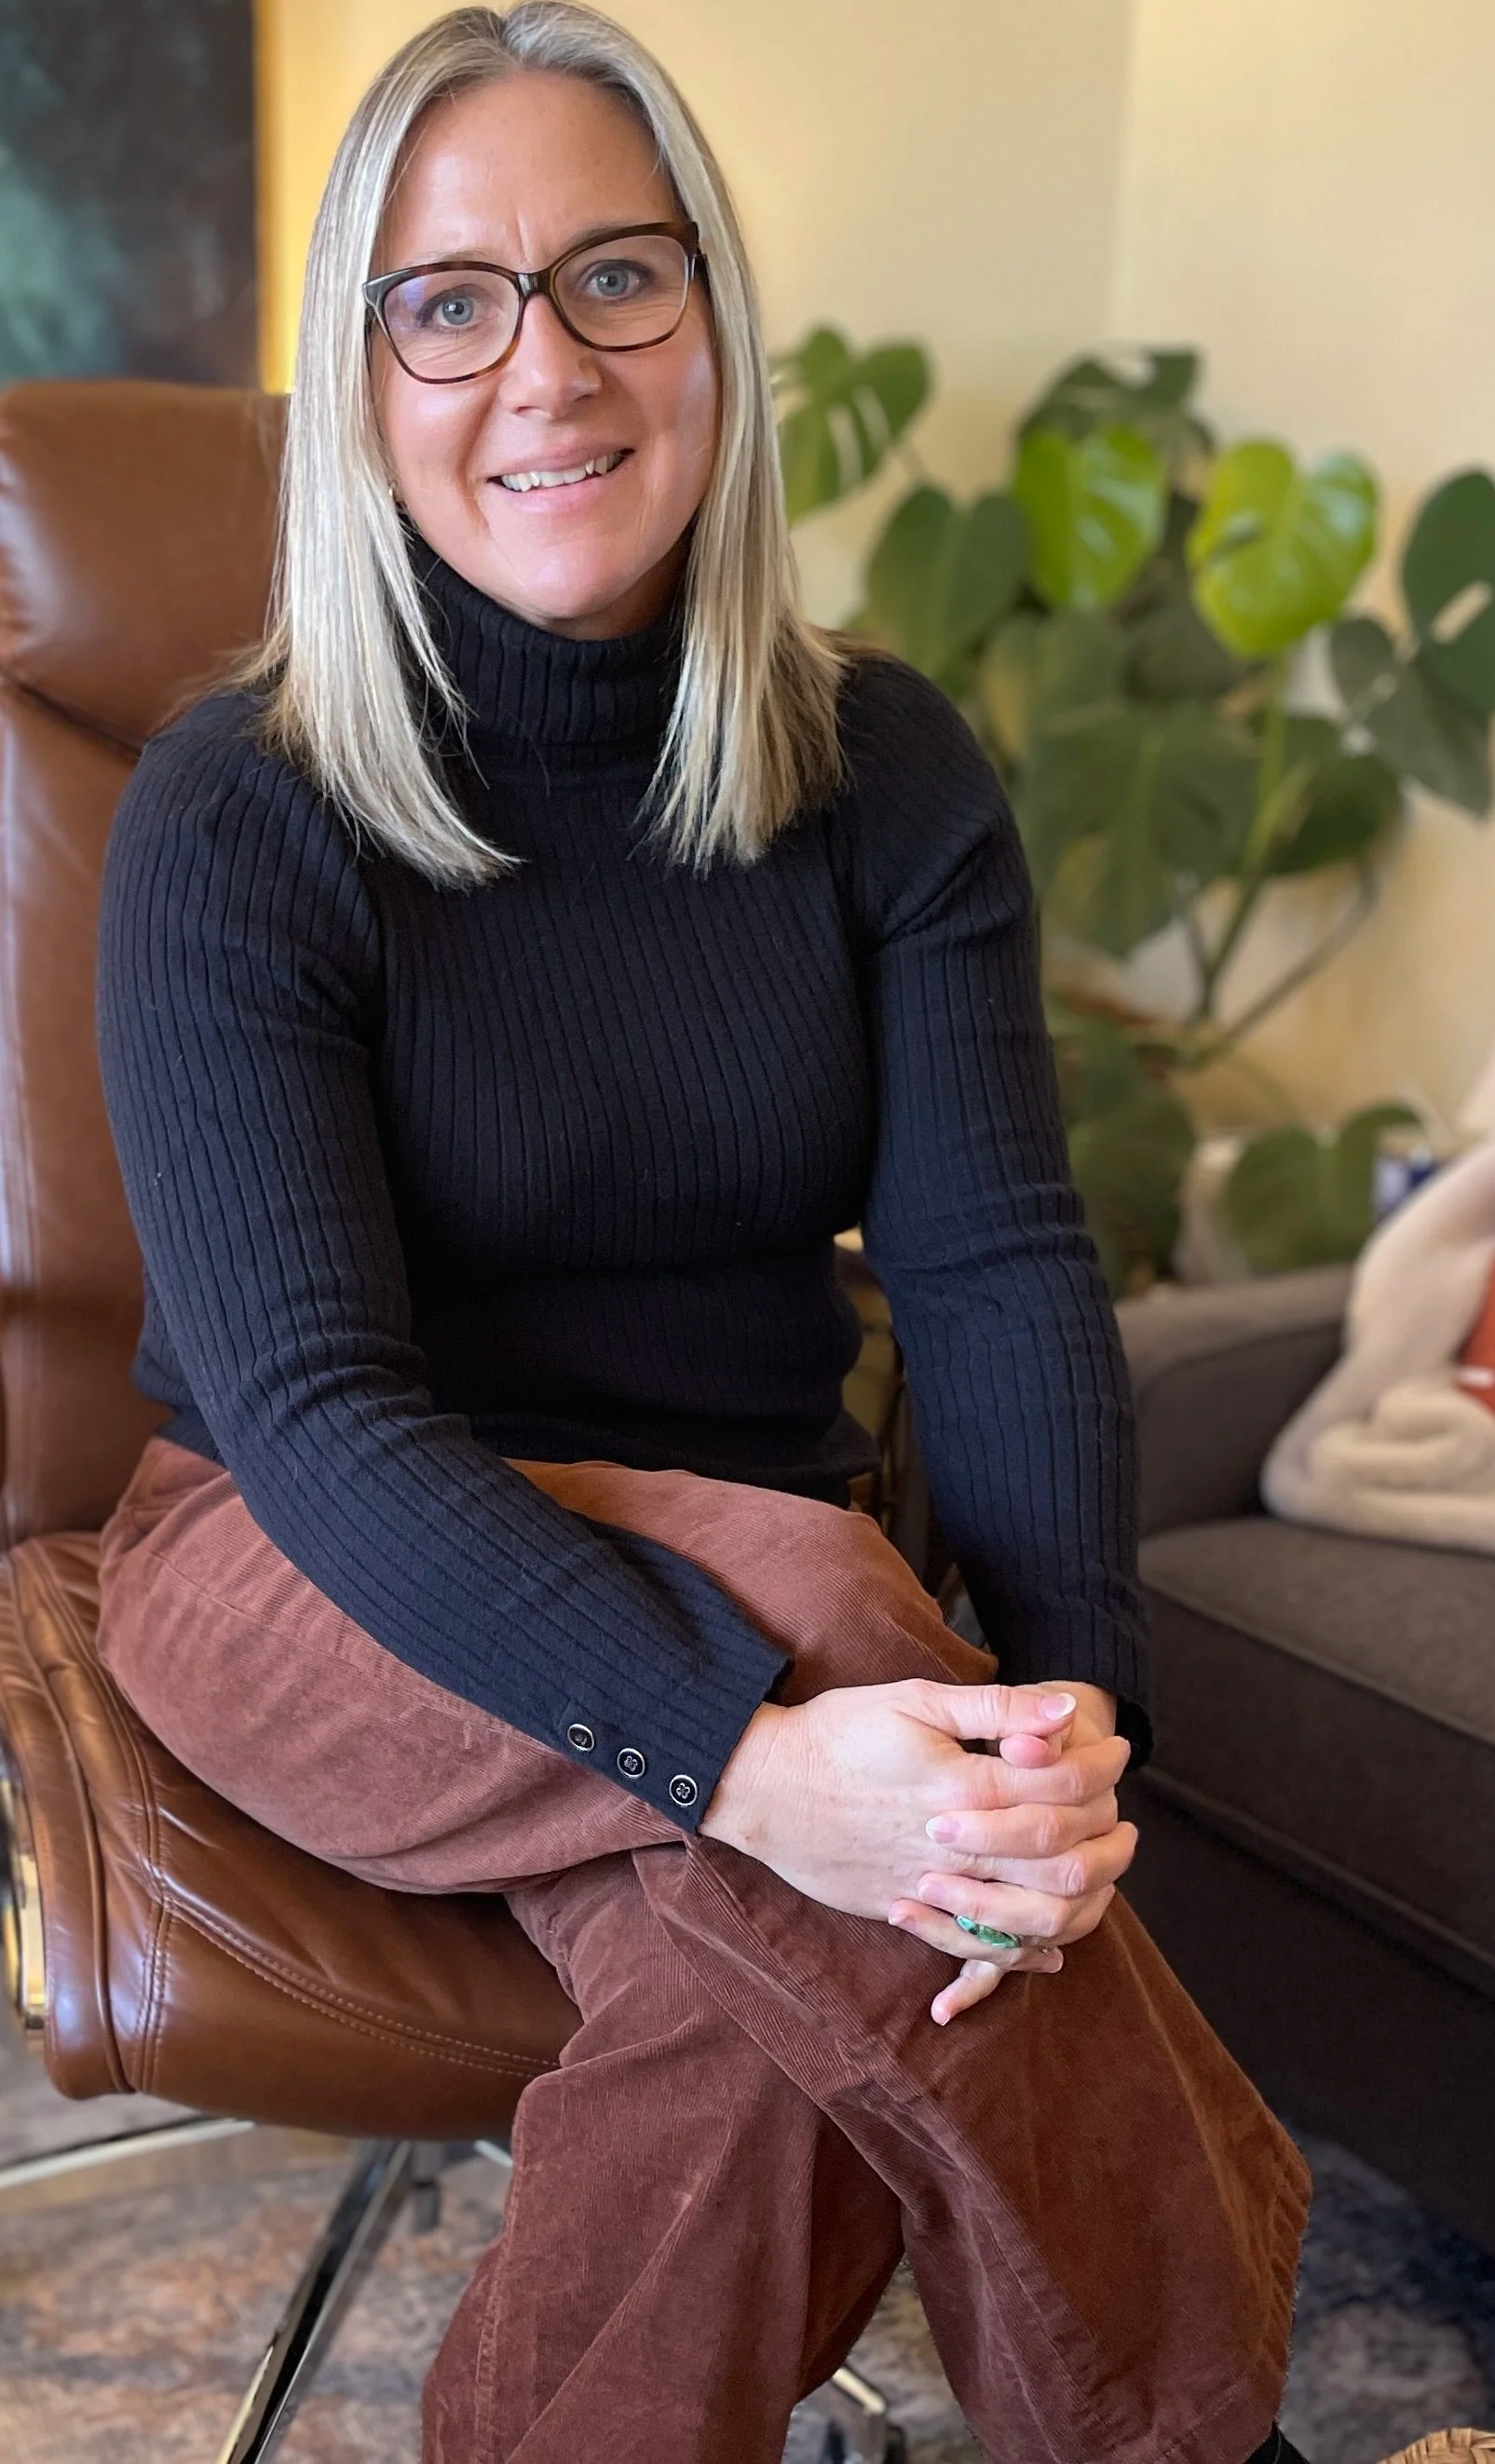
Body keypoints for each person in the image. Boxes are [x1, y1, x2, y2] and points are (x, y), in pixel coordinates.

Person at [90, 7, 1360, 2460]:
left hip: (759, 1571)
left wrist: (1060, 1718)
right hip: (300, 1556)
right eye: (447, 300)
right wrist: (752, 1757)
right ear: (358, 373)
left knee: (753, 2038)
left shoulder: (880, 765)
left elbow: (995, 1267)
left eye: (613, 278)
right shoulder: (234, 805)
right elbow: (316, 1406)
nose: (542, 367)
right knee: (814, 1653)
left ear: (714, 323)